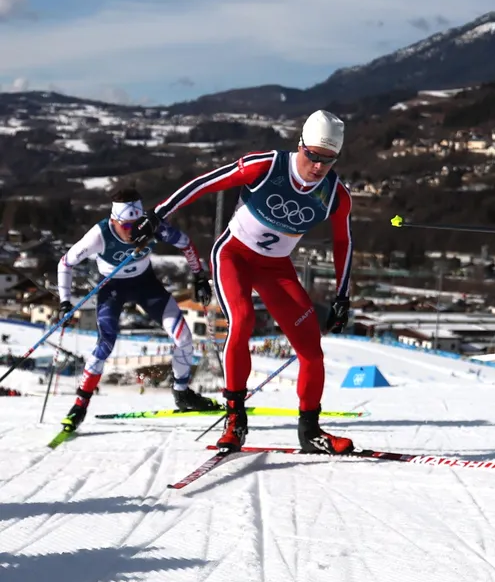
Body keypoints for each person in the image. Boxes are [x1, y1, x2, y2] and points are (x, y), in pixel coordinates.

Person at [132, 110, 355, 454]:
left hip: (275, 268)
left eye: (328, 159)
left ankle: (310, 430)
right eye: (312, 155)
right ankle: (235, 420)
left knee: (311, 348)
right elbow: (206, 183)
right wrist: (158, 213)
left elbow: (343, 242)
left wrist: (342, 296)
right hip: (233, 256)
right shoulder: (266, 166)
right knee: (243, 320)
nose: (318, 166)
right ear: (300, 146)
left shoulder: (335, 195)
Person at [57, 188, 215, 432]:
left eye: (137, 224)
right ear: (114, 221)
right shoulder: (99, 234)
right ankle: (79, 405)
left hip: (146, 285)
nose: (134, 231)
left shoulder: (151, 226)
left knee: (184, 338)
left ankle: (182, 394)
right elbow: (65, 263)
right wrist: (65, 302)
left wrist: (199, 276)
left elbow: (186, 243)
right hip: (112, 289)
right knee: (105, 343)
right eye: (127, 226)